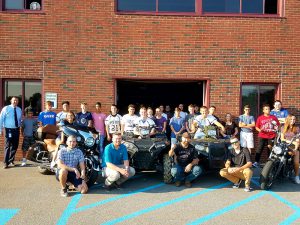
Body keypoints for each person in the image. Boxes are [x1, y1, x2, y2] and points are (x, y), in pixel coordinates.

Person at [0, 96, 22, 169]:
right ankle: (6, 163)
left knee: (15, 146)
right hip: (8, 129)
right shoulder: (6, 108)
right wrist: (0, 130)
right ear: (11, 101)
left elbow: (19, 119)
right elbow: (1, 119)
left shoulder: (19, 109)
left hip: (16, 129)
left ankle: (11, 160)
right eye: (14, 100)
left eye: (16, 100)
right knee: (7, 146)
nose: (15, 101)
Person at [281, 114, 300, 184]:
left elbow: (298, 141)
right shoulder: (283, 127)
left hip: (294, 147)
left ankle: (296, 176)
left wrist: (295, 148)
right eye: (291, 119)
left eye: (294, 119)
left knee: (296, 162)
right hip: (284, 146)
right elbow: (282, 138)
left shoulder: (297, 128)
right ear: (288, 120)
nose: (292, 121)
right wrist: (290, 141)